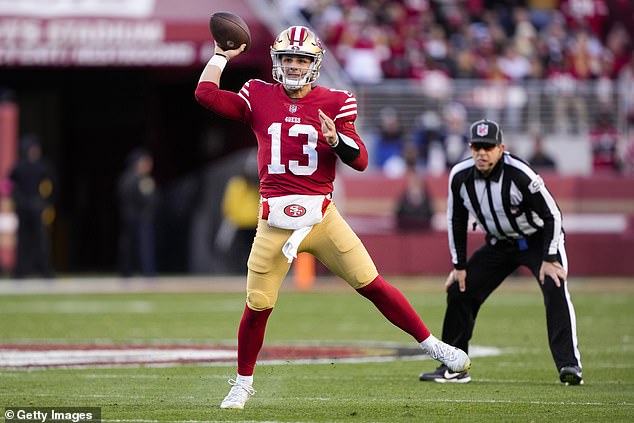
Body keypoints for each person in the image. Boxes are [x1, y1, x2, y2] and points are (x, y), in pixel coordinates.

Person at [195, 25, 471, 410]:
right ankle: (242, 384)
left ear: (314, 63)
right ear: (277, 62)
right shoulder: (258, 94)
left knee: (372, 284)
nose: (293, 66)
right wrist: (221, 56)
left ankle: (433, 345)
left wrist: (336, 140)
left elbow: (361, 160)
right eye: (288, 59)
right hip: (274, 221)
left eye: (301, 59)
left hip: (322, 218)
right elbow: (204, 94)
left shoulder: (336, 101)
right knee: (257, 307)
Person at [419, 119, 583, 385]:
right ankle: (454, 366)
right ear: (470, 148)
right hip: (498, 243)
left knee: (555, 286)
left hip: (536, 240)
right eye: (477, 146)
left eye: (488, 147)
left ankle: (569, 366)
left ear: (501, 148)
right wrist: (458, 266)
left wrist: (550, 257)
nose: (482, 153)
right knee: (460, 289)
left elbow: (551, 212)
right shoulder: (460, 176)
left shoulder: (519, 173)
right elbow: (456, 220)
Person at [9, 135, 56, 279]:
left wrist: (47, 201)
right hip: (23, 208)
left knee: (41, 240)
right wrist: (16, 198)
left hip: (37, 206)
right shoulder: (19, 167)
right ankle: (20, 271)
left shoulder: (42, 166)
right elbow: (7, 185)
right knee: (23, 240)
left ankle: (44, 270)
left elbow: (51, 185)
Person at [116, 148, 159, 277]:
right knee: (138, 247)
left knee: (133, 247)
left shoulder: (128, 178)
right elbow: (149, 199)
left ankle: (134, 272)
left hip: (133, 218)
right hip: (138, 219)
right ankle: (144, 272)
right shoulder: (137, 179)